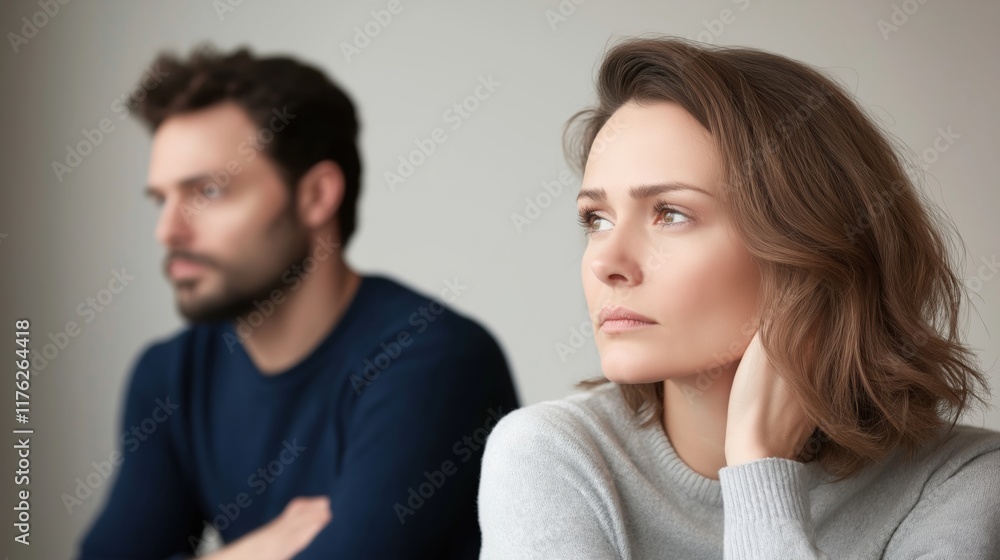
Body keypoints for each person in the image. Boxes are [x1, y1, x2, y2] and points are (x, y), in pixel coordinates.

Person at [478, 36, 1000, 559]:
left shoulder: (963, 483)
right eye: (596, 219)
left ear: (809, 247)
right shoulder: (553, 455)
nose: (604, 262)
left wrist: (757, 470)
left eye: (671, 213)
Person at [76, 44, 519, 560]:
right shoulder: (170, 376)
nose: (167, 230)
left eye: (209, 192)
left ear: (315, 196)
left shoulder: (435, 360)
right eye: (162, 199)